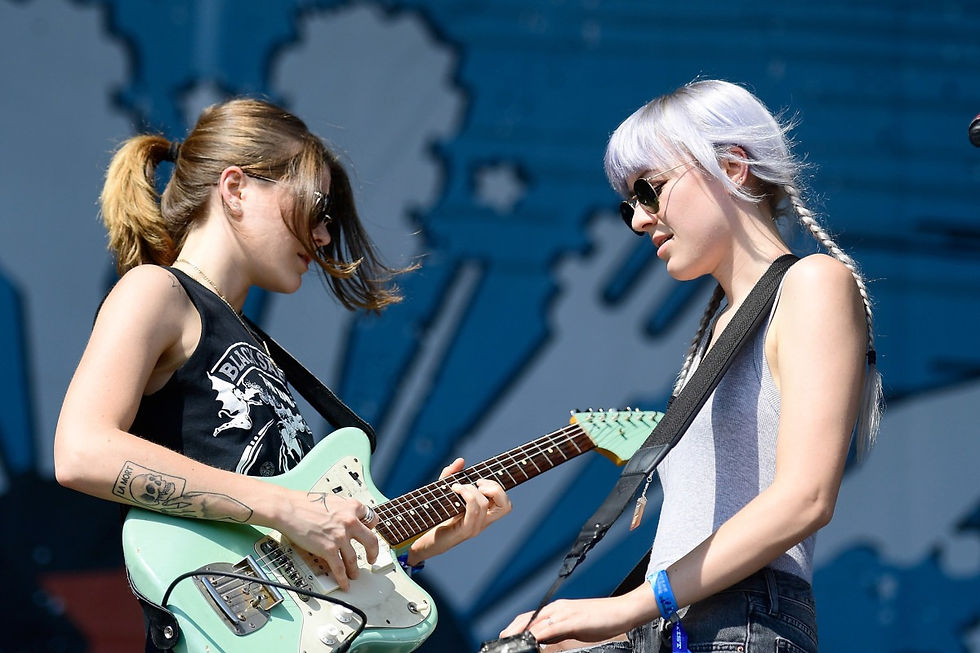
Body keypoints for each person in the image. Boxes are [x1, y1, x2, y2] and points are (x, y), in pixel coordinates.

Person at [53, 98, 511, 649]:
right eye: (317, 207)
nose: (323, 236)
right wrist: (286, 507)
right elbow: (81, 451)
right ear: (236, 188)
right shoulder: (157, 291)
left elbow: (293, 559)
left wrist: (408, 549)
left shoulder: (252, 342)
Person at [500, 79, 883, 652]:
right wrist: (585, 635)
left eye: (649, 191)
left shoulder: (812, 283)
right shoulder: (715, 330)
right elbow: (693, 542)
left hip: (740, 623)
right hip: (683, 624)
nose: (638, 219)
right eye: (629, 204)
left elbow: (805, 498)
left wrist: (627, 608)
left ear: (733, 168)